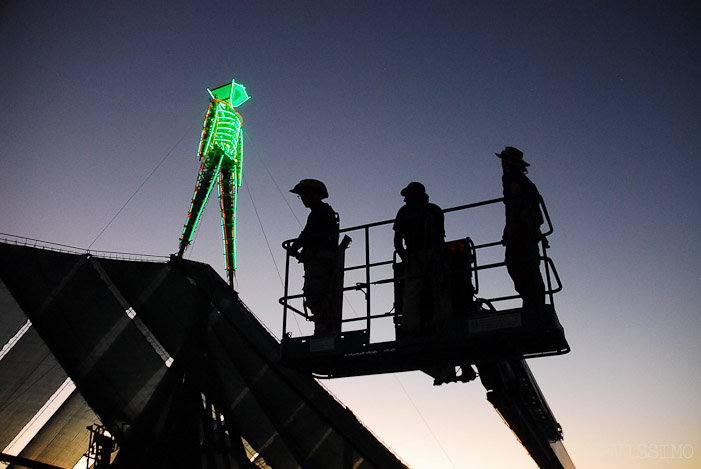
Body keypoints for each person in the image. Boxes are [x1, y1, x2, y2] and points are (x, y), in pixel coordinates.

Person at [393, 182, 450, 337]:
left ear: (413, 194)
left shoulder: (404, 211)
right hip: (434, 254)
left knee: (411, 291)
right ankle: (444, 323)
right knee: (440, 289)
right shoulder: (435, 209)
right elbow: (441, 237)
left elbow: (397, 239)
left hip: (415, 255)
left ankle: (410, 328)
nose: (405, 199)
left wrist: (405, 258)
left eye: (407, 195)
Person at [286, 179, 341, 336]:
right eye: (301, 195)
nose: (302, 198)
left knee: (315, 293)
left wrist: (295, 247)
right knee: (317, 293)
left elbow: (308, 233)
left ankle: (323, 328)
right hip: (319, 258)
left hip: (320, 259)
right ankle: (323, 326)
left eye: (305, 194)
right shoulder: (322, 212)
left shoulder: (320, 212)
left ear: (316, 194)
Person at [496, 146, 546, 308]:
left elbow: (515, 200)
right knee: (531, 270)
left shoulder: (510, 178)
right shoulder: (529, 183)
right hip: (531, 232)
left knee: (515, 264)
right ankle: (535, 305)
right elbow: (539, 216)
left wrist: (510, 229)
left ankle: (532, 306)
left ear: (506, 162)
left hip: (520, 231)